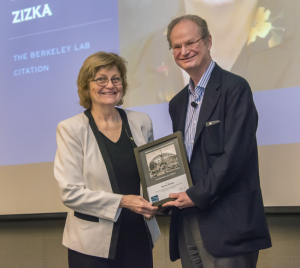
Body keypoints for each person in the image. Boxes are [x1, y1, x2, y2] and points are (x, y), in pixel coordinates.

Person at [162, 15, 271, 268]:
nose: (184, 51)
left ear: (208, 41)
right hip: (187, 222)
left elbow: (235, 156)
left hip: (229, 223)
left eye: (191, 42)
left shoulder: (235, 88)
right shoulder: (177, 103)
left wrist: (195, 195)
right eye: (176, 46)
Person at [54, 51, 160, 268]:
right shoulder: (71, 129)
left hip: (138, 236)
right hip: (91, 246)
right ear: (86, 86)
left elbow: (154, 177)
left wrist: (161, 198)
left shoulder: (142, 122)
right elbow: (70, 193)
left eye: (116, 79)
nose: (109, 85)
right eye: (100, 79)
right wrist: (123, 201)